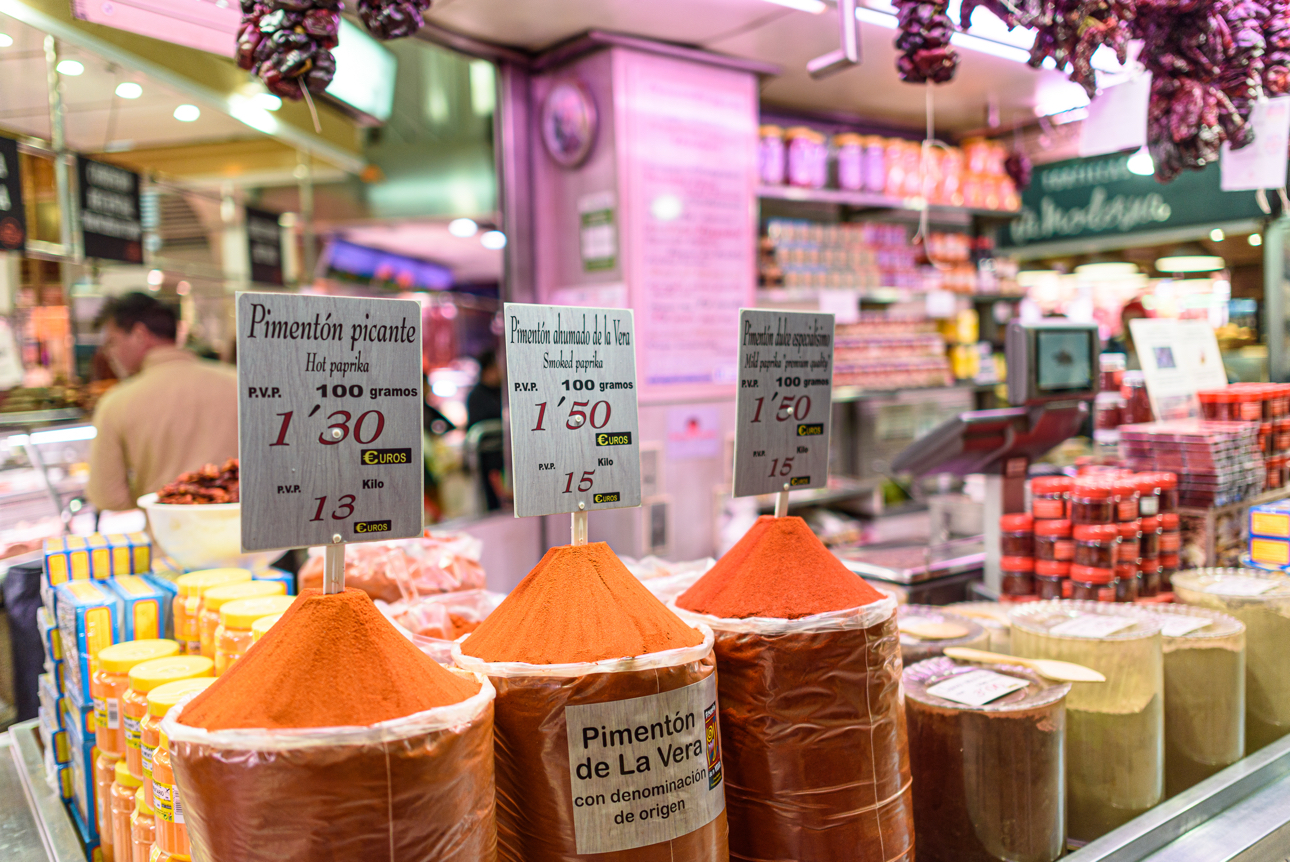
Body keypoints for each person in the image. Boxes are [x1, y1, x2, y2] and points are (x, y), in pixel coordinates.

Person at [86, 292, 239, 512]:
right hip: (248, 539)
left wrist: (161, 493)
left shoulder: (116, 403)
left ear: (139, 334)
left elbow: (108, 497)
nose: (110, 354)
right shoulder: (238, 382)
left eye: (112, 342)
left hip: (171, 540)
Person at [464, 350, 505, 511]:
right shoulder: (477, 396)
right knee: (493, 502)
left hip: (505, 457)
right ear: (488, 370)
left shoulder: (503, 391)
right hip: (488, 459)